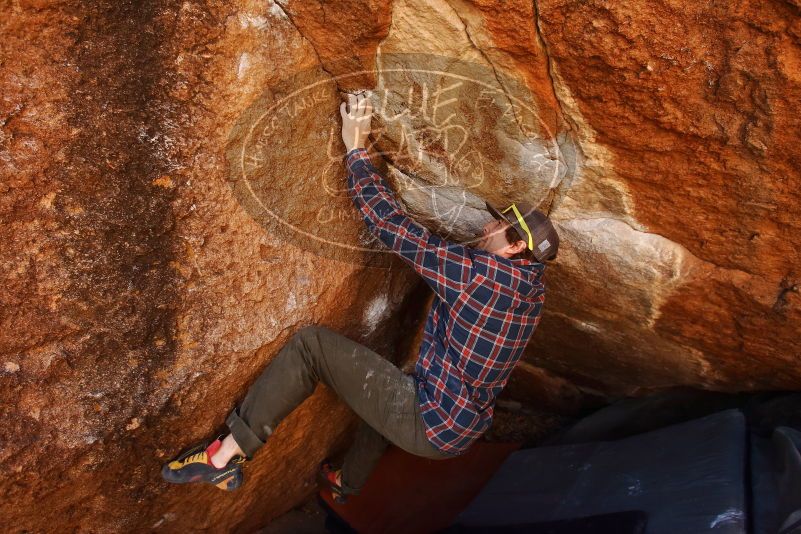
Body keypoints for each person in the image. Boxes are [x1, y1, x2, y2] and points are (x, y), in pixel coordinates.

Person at [161, 92, 559, 501]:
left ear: (513, 247)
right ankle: (345, 484)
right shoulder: (531, 288)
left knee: (310, 347)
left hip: (430, 421)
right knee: (389, 394)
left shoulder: (480, 276)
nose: (490, 225)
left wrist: (355, 148)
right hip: (459, 430)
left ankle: (225, 457)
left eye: (499, 225)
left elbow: (392, 226)